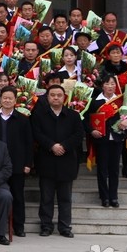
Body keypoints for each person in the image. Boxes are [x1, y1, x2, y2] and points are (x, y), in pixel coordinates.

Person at [31, 85, 84, 238]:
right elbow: (36, 133)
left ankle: (65, 227)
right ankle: (46, 226)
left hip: (67, 161)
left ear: (64, 97)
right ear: (47, 97)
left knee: (65, 198)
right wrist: (51, 145)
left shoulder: (73, 115)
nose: (55, 98)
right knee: (46, 197)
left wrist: (63, 146)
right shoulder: (40, 115)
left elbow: (78, 135)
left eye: (59, 95)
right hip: (46, 160)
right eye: (52, 95)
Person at [0, 86, 33, 238]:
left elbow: (29, 143)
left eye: (10, 98)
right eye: (5, 98)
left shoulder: (22, 119)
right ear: (0, 99)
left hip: (17, 164)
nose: (7, 100)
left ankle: (18, 226)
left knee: (17, 196)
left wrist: (28, 164)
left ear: (15, 101)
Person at [86, 75, 126, 208]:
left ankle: (113, 196)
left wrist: (126, 122)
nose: (110, 86)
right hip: (101, 139)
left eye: (113, 84)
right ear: (102, 85)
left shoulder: (121, 101)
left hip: (117, 138)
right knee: (102, 169)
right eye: (107, 84)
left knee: (114, 169)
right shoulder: (94, 102)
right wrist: (92, 130)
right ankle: (104, 197)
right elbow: (85, 119)